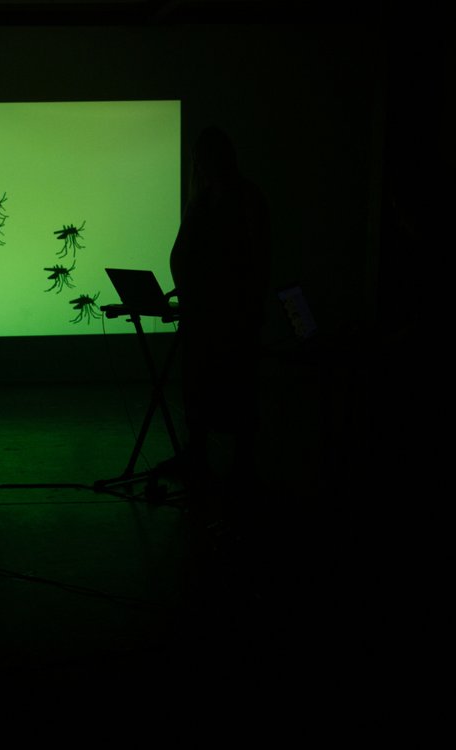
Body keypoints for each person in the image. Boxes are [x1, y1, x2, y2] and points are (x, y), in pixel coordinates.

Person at [169, 126, 270, 516]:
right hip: (200, 311)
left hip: (232, 313)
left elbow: (257, 257)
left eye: (203, 158)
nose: (199, 166)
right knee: (197, 382)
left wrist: (248, 305)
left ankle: (241, 464)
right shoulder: (203, 199)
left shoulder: (245, 198)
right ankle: (199, 454)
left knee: (238, 385)